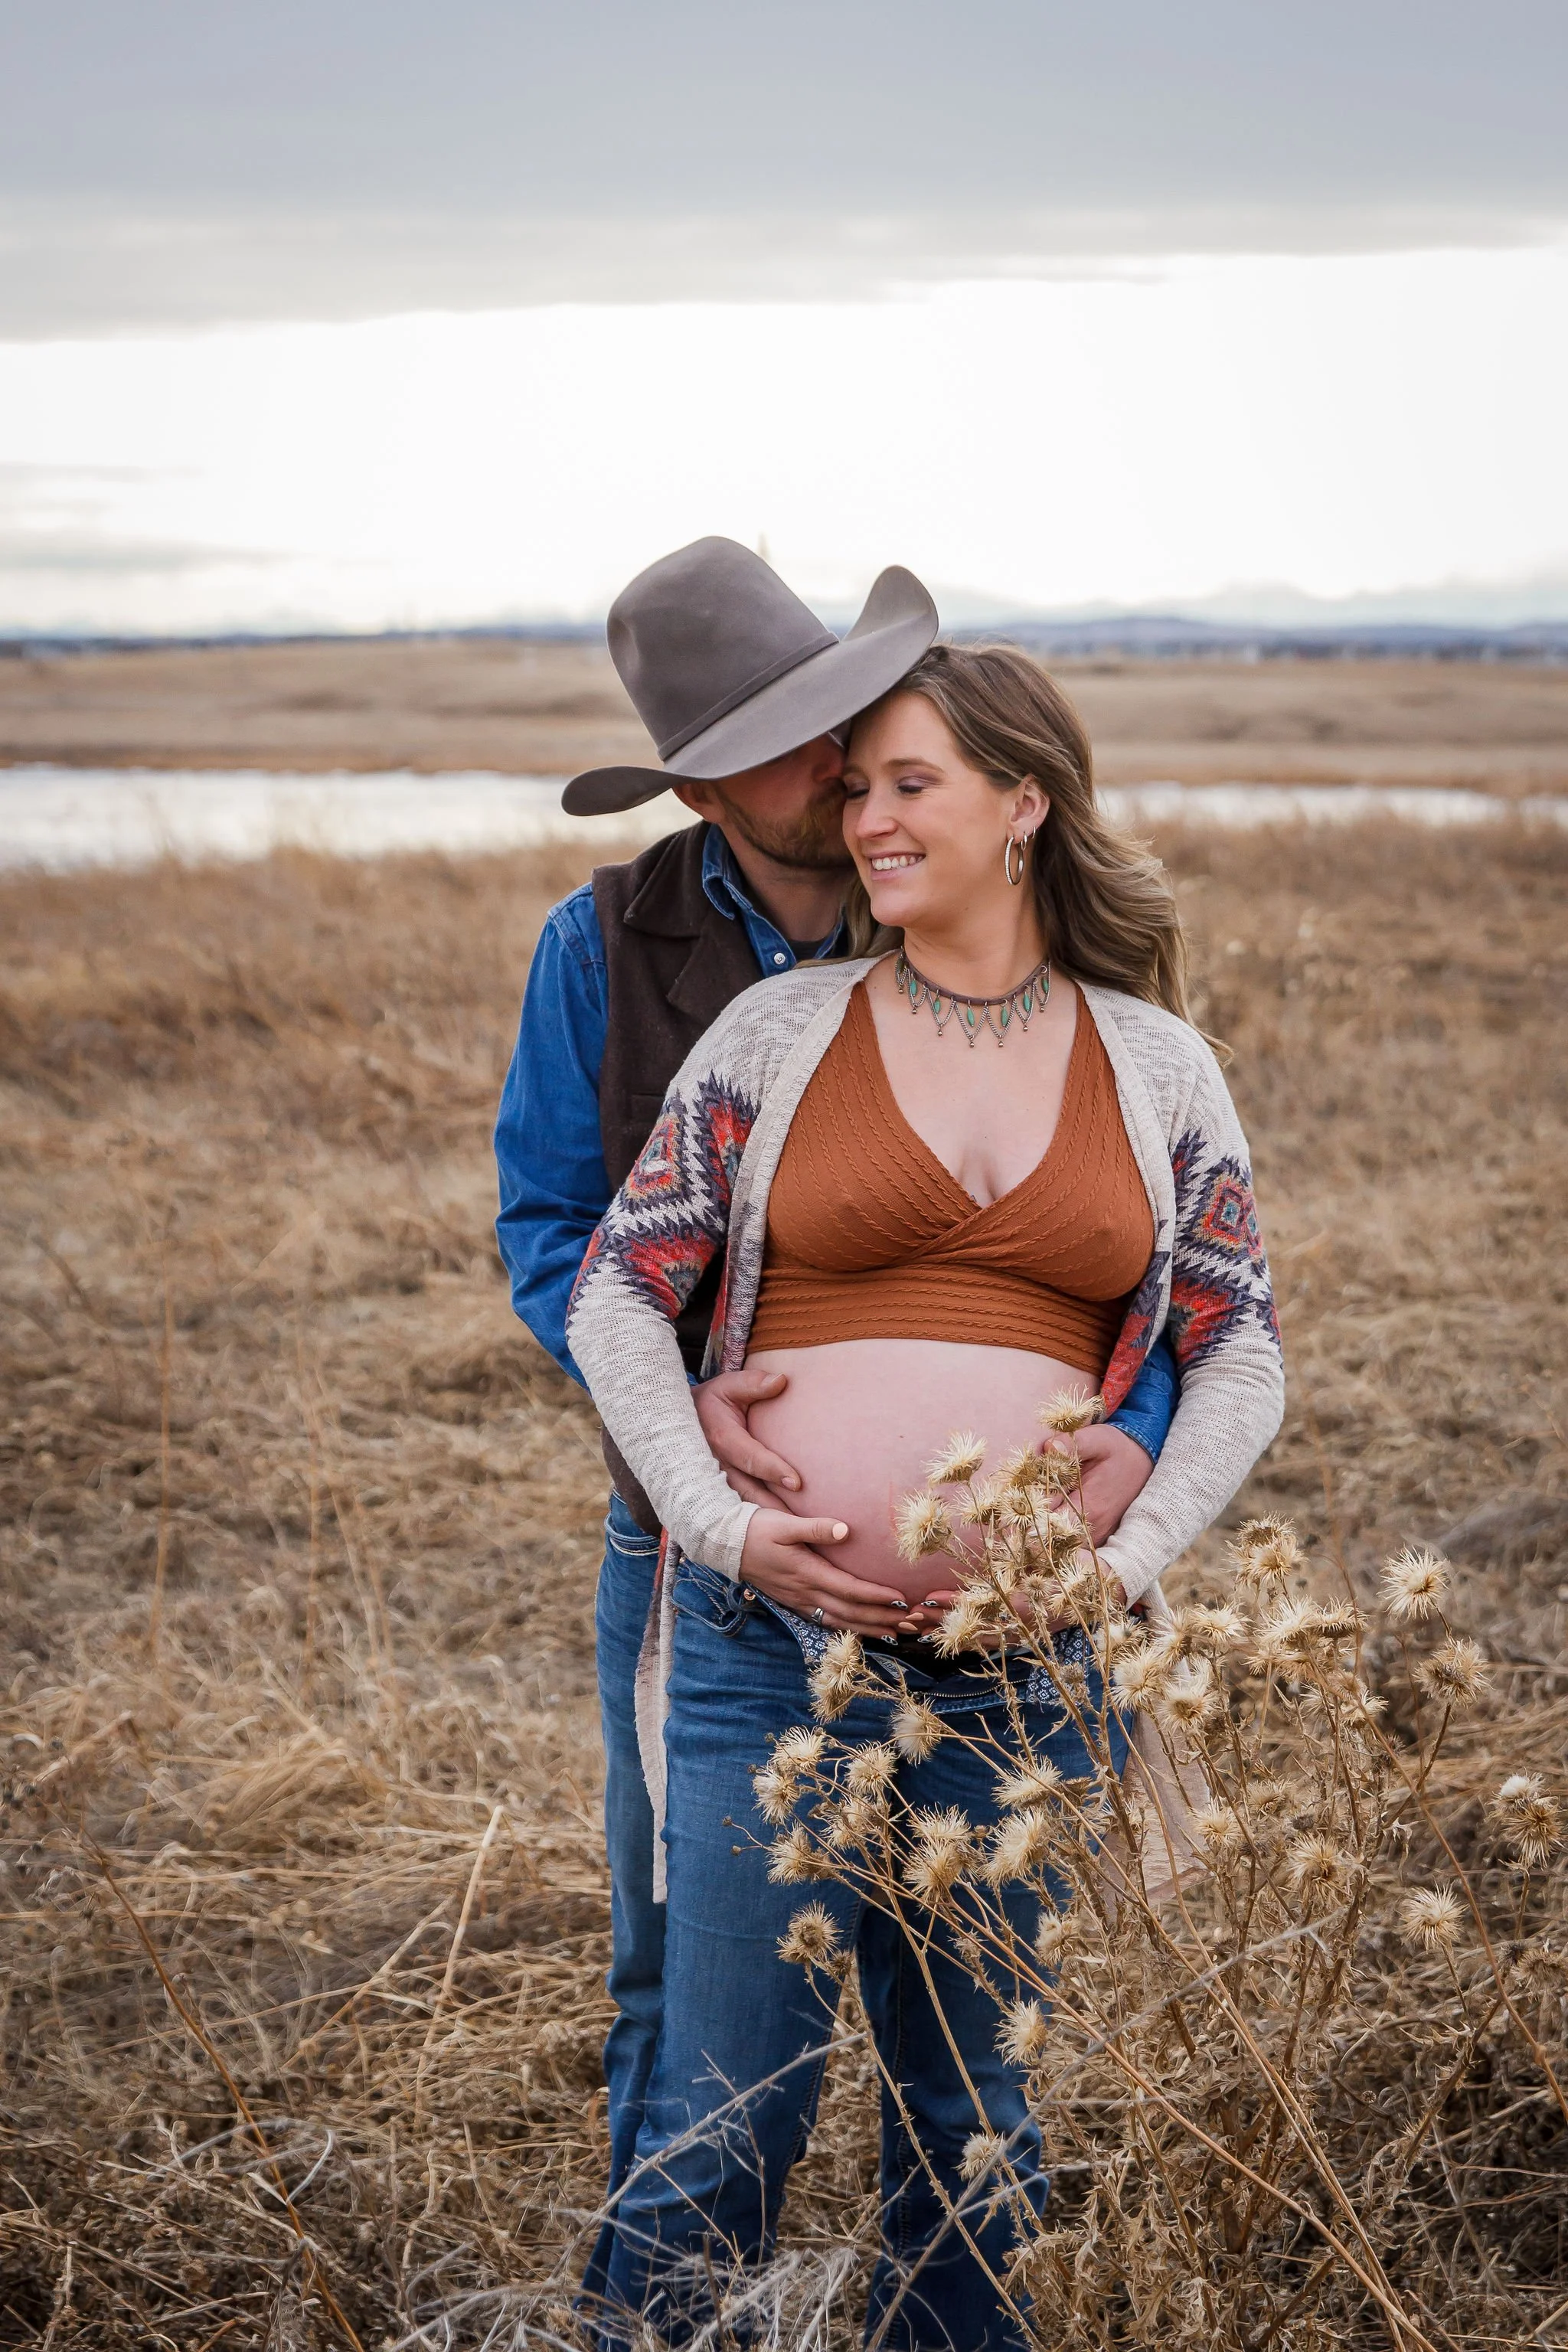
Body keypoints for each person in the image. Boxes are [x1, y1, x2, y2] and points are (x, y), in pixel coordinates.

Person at [565, 641, 1284, 2347]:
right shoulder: (777, 1033)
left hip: (1028, 1668)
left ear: (1022, 804)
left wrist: (1131, 1563)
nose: (864, 819)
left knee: (976, 2134)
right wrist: (723, 1525)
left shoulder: (1158, 1065)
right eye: (855, 787)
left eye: (909, 786)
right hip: (769, 1655)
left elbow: (1240, 1350)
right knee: (723, 2121)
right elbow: (614, 1292)